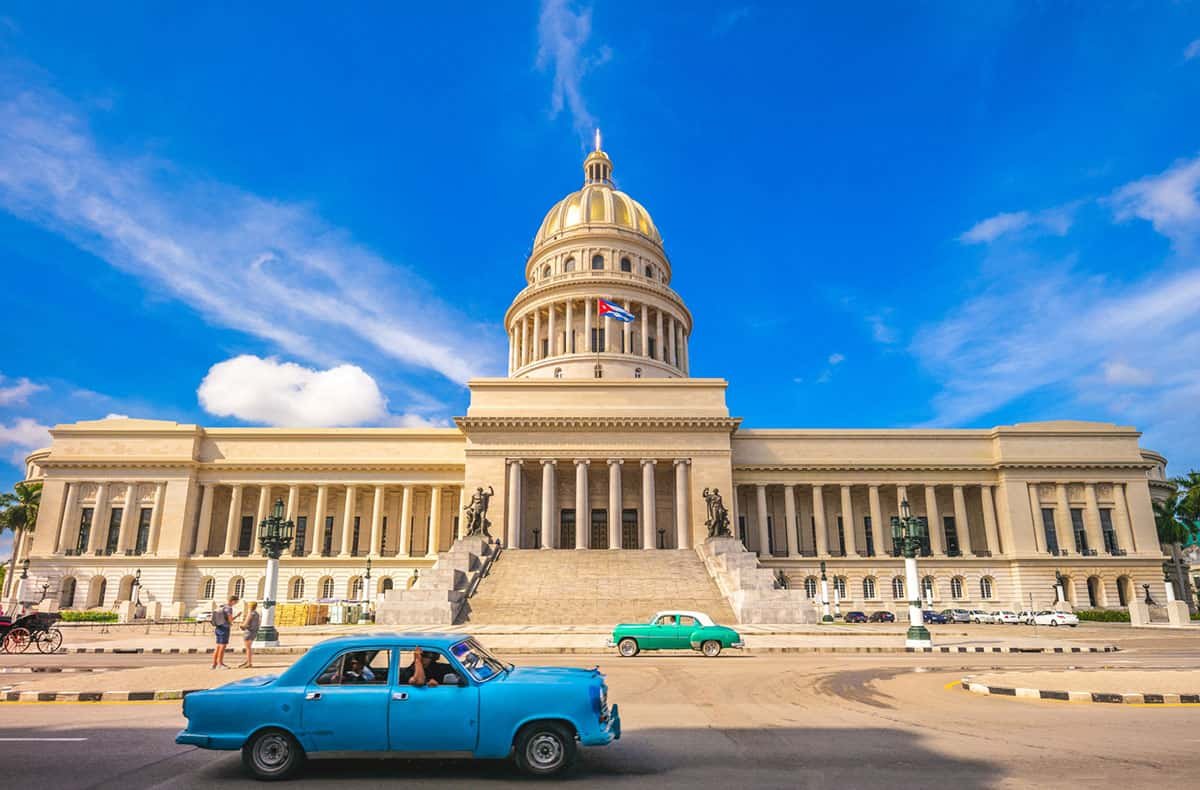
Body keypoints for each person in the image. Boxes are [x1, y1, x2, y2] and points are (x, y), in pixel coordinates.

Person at [211, 595, 240, 669]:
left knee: (218, 646)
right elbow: (230, 619)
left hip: (218, 627)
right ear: (233, 601)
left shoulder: (222, 606)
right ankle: (220, 664)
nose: (236, 603)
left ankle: (214, 664)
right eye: (236, 602)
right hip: (224, 628)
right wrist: (236, 617)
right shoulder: (229, 608)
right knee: (222, 646)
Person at [237, 601, 260, 668]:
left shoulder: (250, 613)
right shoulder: (257, 614)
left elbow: (245, 624)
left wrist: (241, 626)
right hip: (254, 632)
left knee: (248, 648)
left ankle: (249, 663)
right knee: (249, 648)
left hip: (248, 632)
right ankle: (248, 661)